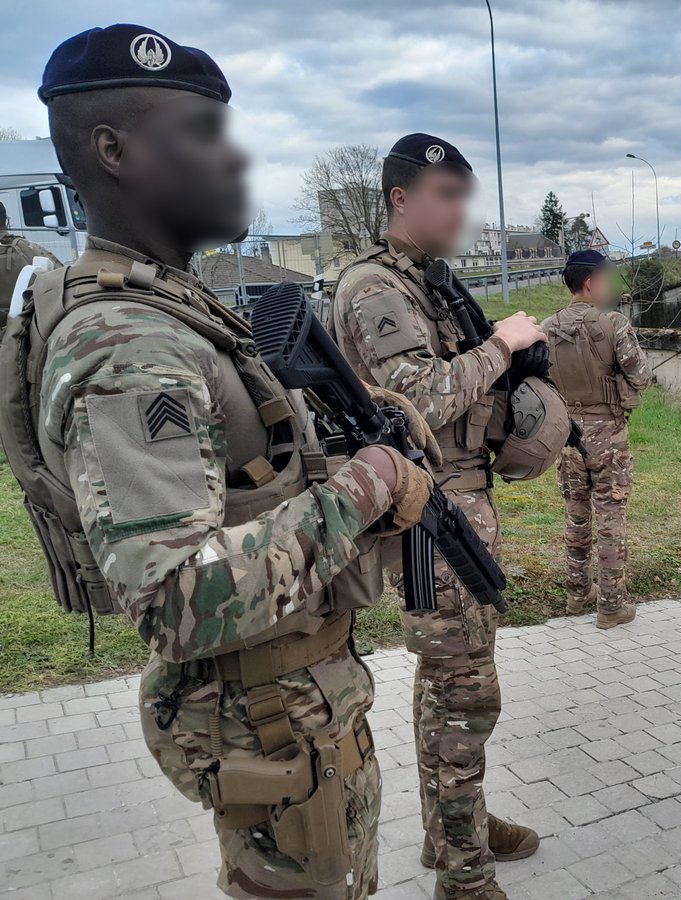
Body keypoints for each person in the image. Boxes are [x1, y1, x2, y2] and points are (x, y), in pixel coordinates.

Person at [0, 26, 440, 900]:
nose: (236, 158)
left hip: (293, 708)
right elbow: (174, 600)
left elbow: (246, 468)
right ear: (114, 151)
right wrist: (373, 483)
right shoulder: (128, 344)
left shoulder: (176, 305)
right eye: (202, 133)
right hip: (265, 729)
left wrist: (359, 432)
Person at [330, 133, 544, 900]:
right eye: (445, 193)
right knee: (465, 694)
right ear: (400, 198)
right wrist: (501, 344)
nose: (460, 209)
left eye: (464, 193)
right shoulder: (375, 289)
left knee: (451, 687)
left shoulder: (426, 281)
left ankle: (454, 827)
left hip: (461, 505)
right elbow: (420, 402)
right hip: (431, 520)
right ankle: (464, 874)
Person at [542, 249, 653, 627]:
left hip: (567, 437)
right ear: (591, 283)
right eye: (606, 278)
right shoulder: (614, 324)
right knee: (610, 516)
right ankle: (611, 605)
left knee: (576, 515)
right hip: (608, 435)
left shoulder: (546, 328)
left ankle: (577, 595)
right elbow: (640, 375)